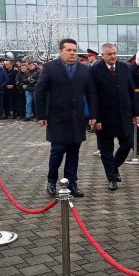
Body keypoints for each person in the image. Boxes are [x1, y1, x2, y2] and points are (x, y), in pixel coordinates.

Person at [36, 38, 98, 197]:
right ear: (60, 51)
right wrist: (41, 115)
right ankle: (51, 181)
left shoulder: (84, 69)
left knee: (74, 152)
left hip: (76, 119)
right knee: (57, 151)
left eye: (74, 50)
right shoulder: (50, 68)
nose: (72, 53)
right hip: (57, 118)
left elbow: (91, 93)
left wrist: (93, 114)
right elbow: (40, 92)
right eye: (68, 50)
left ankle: (72, 183)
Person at [89, 43, 139, 191]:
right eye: (109, 54)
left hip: (124, 115)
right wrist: (96, 118)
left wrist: (136, 112)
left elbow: (131, 90)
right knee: (106, 150)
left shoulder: (124, 67)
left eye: (114, 53)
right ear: (102, 55)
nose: (113, 56)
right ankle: (112, 178)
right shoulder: (94, 71)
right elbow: (93, 96)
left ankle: (114, 167)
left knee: (128, 143)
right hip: (104, 118)